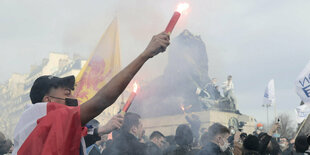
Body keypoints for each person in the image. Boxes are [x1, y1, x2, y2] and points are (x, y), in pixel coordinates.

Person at [12, 32, 170, 154]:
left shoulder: (42, 128)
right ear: (47, 101)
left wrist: (104, 129)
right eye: (65, 91)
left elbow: (78, 139)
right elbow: (101, 100)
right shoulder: (43, 115)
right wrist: (145, 55)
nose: (71, 92)